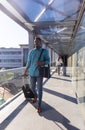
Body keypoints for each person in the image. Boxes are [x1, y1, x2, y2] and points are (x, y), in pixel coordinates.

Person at [23, 37, 50, 113]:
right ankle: (35, 96)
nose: (36, 43)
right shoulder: (31, 52)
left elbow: (48, 60)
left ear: (40, 43)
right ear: (34, 42)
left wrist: (42, 63)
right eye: (35, 41)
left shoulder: (44, 51)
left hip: (39, 74)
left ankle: (39, 105)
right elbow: (28, 63)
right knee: (32, 88)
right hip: (31, 73)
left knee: (40, 89)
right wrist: (25, 72)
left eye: (38, 42)